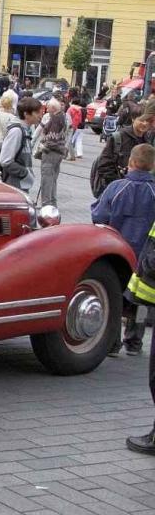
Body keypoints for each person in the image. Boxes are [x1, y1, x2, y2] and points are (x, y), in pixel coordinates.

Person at [93, 142, 155, 359]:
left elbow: (99, 216)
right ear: (153, 166)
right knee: (141, 303)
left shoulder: (116, 188)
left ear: (130, 162)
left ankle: (112, 342)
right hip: (146, 261)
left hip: (118, 255)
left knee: (116, 299)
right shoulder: (153, 190)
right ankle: (135, 341)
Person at [95, 101, 152, 197]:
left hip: (140, 193)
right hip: (119, 193)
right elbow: (104, 165)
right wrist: (118, 185)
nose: (145, 123)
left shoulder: (148, 140)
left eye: (147, 121)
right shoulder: (119, 137)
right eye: (142, 120)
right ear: (133, 119)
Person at [0, 97, 44, 192]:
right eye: (37, 113)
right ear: (26, 114)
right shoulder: (16, 131)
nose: (40, 116)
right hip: (14, 186)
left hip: (21, 185)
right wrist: (25, 173)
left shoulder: (26, 130)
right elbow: (5, 160)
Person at [37, 98, 68, 207]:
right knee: (53, 179)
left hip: (51, 153)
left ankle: (46, 204)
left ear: (53, 108)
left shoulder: (55, 119)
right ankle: (52, 203)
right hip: (58, 152)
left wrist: (44, 145)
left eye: (48, 107)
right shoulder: (62, 117)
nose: (46, 109)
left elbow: (52, 138)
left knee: (47, 179)